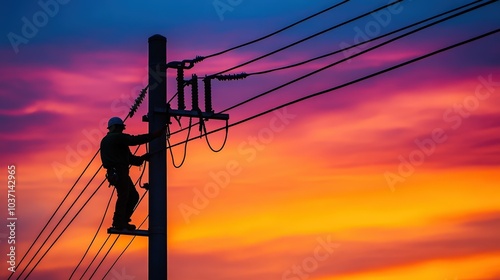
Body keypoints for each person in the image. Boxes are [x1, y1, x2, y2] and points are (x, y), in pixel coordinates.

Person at [100, 116, 164, 230]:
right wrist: (155, 135)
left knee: (133, 196)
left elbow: (130, 159)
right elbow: (134, 140)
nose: (121, 130)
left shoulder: (114, 141)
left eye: (122, 128)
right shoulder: (115, 138)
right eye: (120, 128)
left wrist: (143, 158)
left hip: (118, 172)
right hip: (118, 171)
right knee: (124, 196)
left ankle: (122, 220)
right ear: (114, 128)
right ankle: (119, 221)